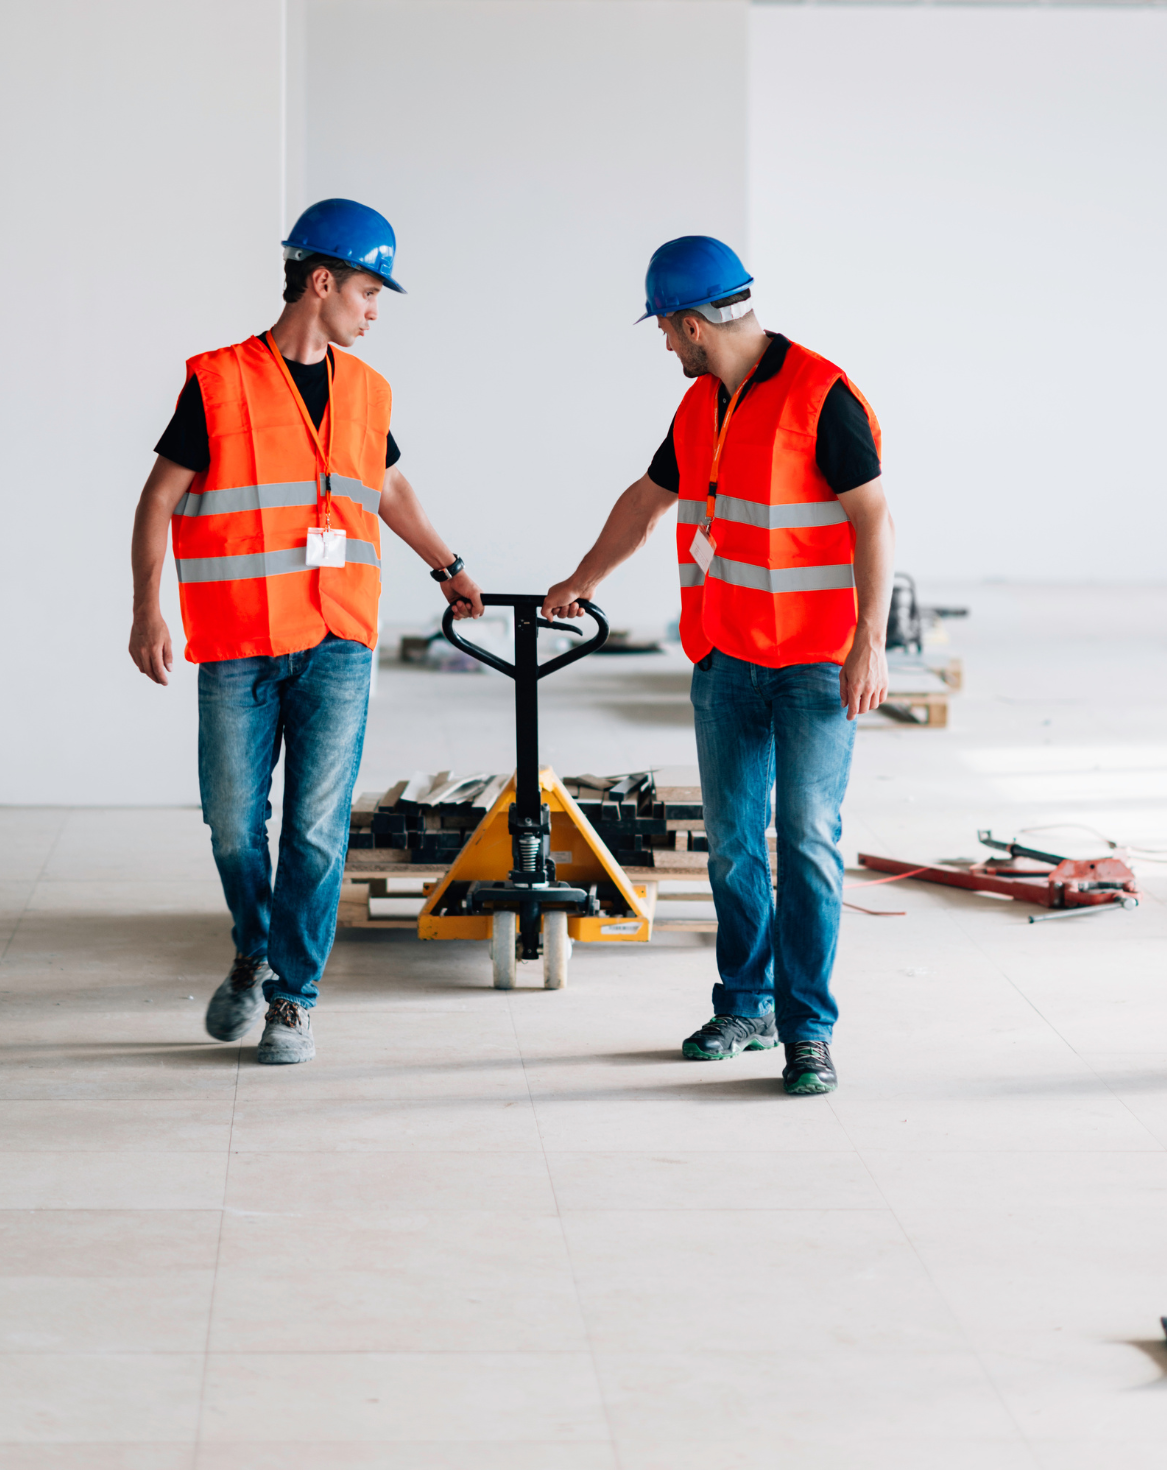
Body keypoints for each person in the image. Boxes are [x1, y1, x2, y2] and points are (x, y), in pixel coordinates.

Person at [128, 199, 482, 1066]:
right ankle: (254, 949)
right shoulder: (218, 381)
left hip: (337, 641)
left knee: (317, 831)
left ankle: (292, 998)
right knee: (231, 823)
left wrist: (447, 564)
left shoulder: (367, 390)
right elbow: (159, 499)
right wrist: (147, 607)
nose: (373, 310)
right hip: (241, 641)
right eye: (368, 290)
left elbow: (387, 489)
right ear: (320, 282)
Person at [544, 237, 893, 1097]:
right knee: (735, 848)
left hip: (817, 666)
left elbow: (872, 521)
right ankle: (746, 1004)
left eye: (666, 330)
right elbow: (647, 500)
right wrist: (583, 580)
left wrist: (870, 641)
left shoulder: (822, 394)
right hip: (728, 660)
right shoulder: (701, 407)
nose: (666, 345)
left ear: (693, 324)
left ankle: (807, 1032)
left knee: (807, 845)